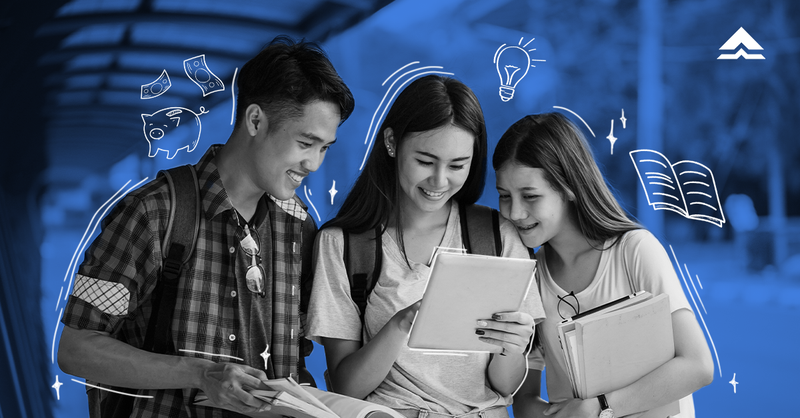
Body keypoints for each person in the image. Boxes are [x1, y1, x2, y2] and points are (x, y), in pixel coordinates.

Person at [57, 35, 354, 417]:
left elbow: (295, 360)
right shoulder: (153, 213)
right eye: (305, 143)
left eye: (324, 148)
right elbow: (76, 347)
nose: (314, 163)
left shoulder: (300, 227)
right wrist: (200, 373)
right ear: (255, 120)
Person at [307, 75, 545, 418]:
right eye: (425, 161)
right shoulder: (344, 244)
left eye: (457, 165)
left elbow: (504, 386)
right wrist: (403, 324)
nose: (439, 181)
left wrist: (514, 346)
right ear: (391, 142)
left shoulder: (496, 234)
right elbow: (345, 387)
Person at [493, 112, 714, 418]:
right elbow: (523, 395)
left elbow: (698, 365)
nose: (515, 212)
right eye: (504, 196)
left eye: (530, 196)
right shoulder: (529, 274)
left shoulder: (635, 250)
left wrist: (600, 407)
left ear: (568, 187)